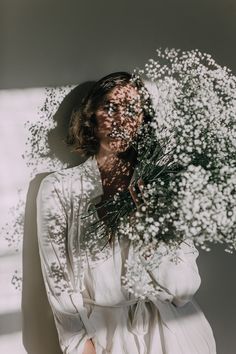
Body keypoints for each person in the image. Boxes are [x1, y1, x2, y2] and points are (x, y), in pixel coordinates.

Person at [36, 72, 217, 354]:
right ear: (91, 117)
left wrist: (148, 231)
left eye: (132, 110)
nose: (121, 119)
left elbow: (184, 291)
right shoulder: (59, 189)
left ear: (143, 121)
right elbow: (58, 284)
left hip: (177, 337)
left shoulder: (162, 186)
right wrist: (81, 347)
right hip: (107, 339)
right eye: (110, 108)